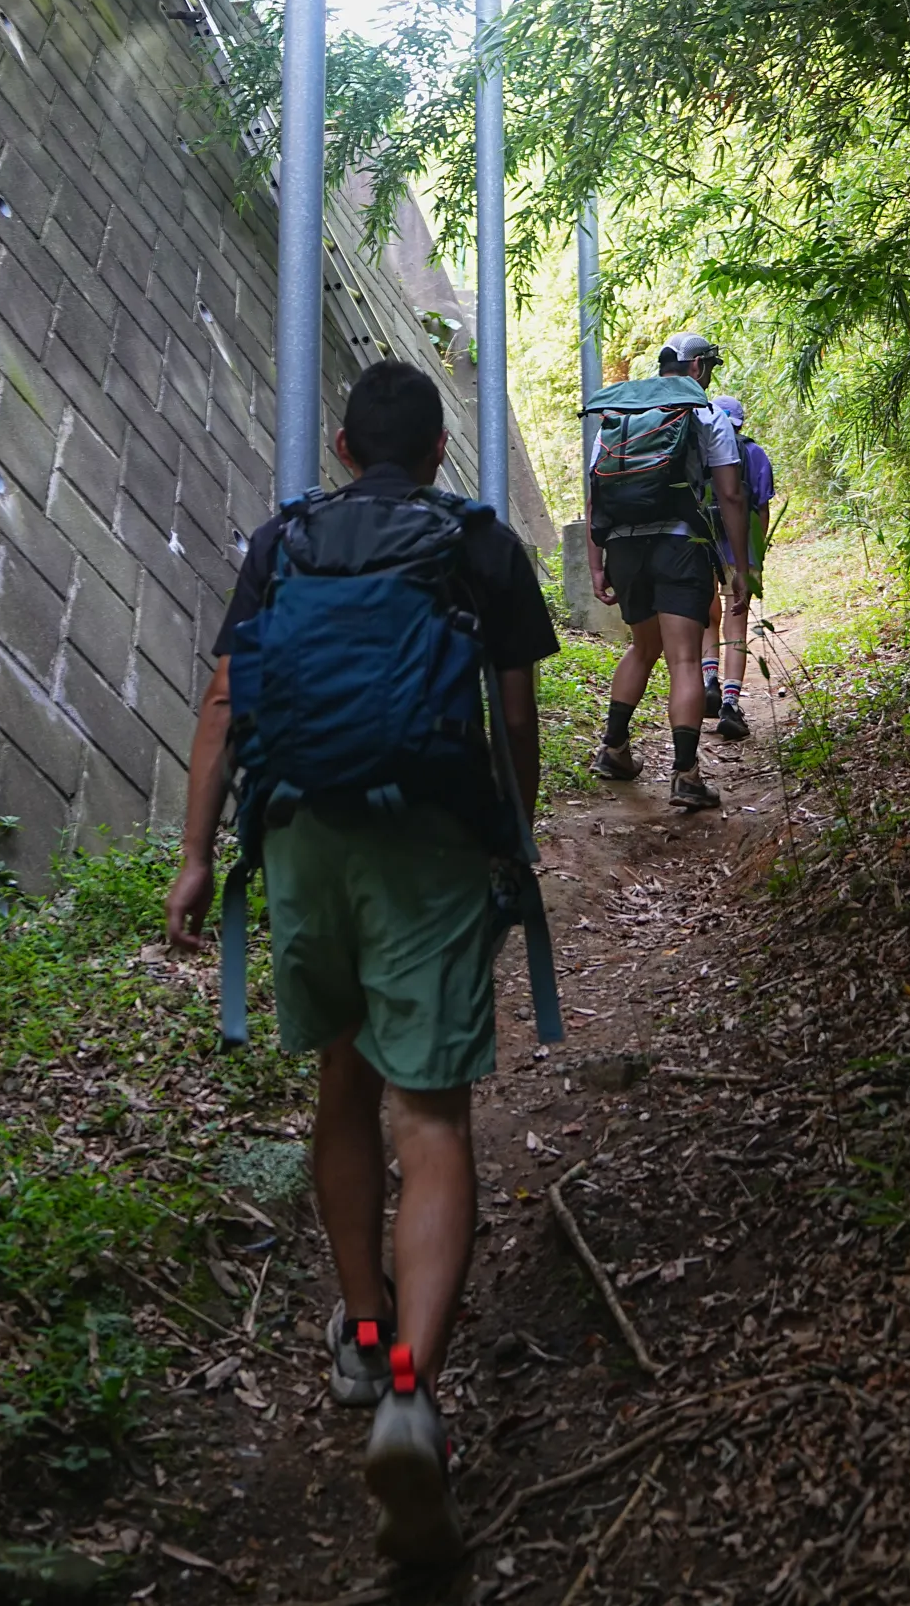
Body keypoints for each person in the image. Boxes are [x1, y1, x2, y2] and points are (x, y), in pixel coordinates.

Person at [165, 359, 559, 1569]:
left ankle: (368, 1334)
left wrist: (193, 860)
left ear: (341, 447)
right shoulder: (477, 543)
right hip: (427, 838)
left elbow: (228, 700)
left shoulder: (282, 541)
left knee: (341, 1084)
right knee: (429, 1119)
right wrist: (513, 845)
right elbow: (515, 720)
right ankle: (409, 1398)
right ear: (440, 452)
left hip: (301, 837)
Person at [586, 329, 747, 812]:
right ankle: (686, 775)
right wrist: (736, 566)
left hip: (624, 548)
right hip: (678, 544)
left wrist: (598, 564)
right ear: (698, 368)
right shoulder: (706, 414)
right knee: (682, 659)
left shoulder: (622, 416)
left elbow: (595, 495)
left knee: (643, 646)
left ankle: (613, 749)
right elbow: (731, 495)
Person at [700, 395, 776, 741]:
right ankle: (730, 704)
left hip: (702, 546)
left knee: (707, 618)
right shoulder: (755, 454)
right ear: (741, 424)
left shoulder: (699, 450)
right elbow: (760, 510)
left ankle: (709, 681)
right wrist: (755, 557)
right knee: (736, 625)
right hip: (740, 550)